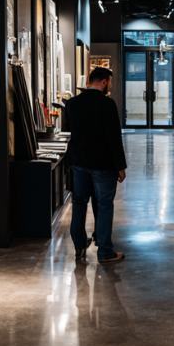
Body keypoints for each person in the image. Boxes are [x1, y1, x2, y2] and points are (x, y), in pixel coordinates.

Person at [63, 67, 126, 264]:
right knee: (105, 204)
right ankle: (105, 251)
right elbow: (114, 138)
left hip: (79, 163)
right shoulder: (107, 104)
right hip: (103, 164)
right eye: (110, 82)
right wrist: (120, 166)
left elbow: (68, 134)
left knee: (79, 204)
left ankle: (80, 245)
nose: (110, 87)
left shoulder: (72, 104)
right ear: (105, 81)